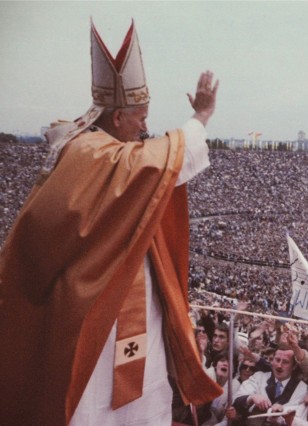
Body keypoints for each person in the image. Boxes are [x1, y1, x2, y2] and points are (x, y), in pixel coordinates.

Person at [0, 19, 221, 424]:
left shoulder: (100, 150)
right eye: (140, 117)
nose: (145, 127)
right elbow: (161, 163)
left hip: (123, 311)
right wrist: (201, 115)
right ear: (118, 117)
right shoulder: (94, 154)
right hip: (94, 320)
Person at [232, 345, 308, 424]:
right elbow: (236, 400)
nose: (279, 365)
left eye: (285, 362)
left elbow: (300, 415)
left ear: (294, 366)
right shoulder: (259, 377)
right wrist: (252, 397)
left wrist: (282, 410)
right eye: (277, 360)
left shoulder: (302, 388)